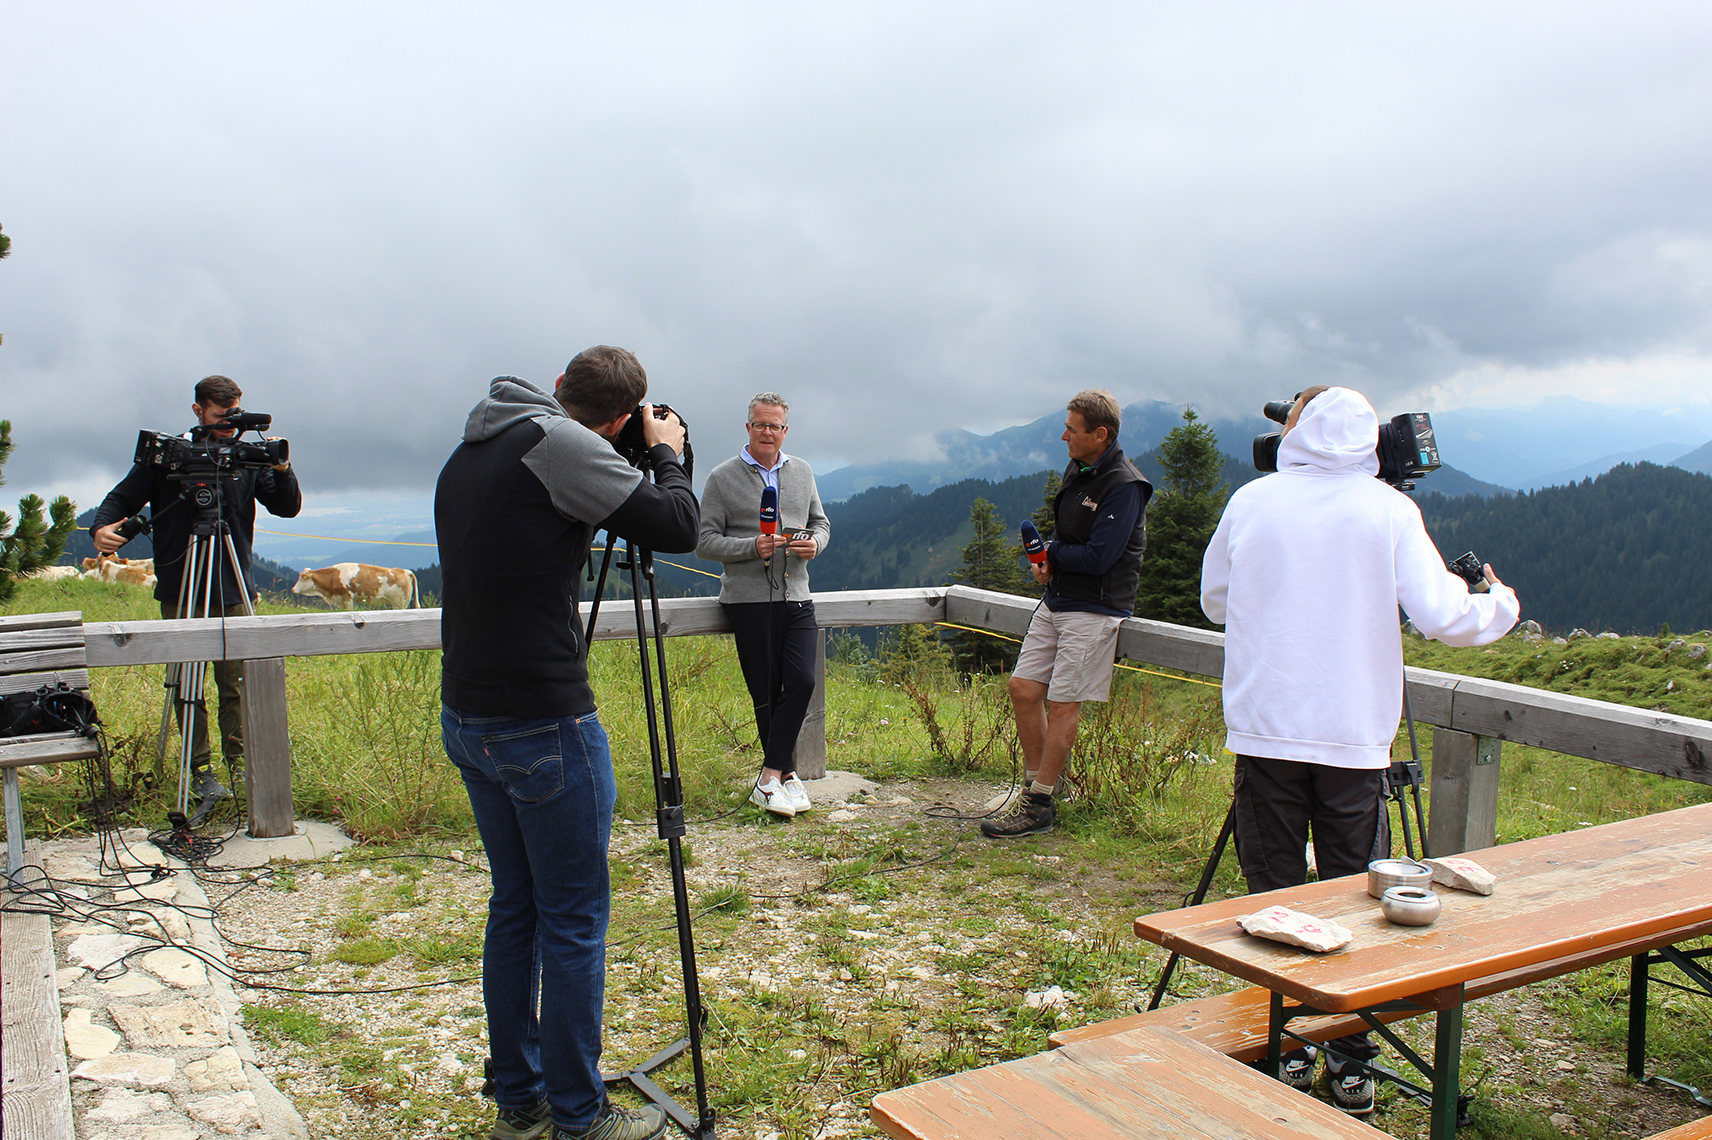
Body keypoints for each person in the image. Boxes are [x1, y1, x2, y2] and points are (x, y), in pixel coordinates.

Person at [1200, 384, 1520, 1116]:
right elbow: (1443, 616)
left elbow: (1215, 601)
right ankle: (1351, 1057)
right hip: (1354, 737)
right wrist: (1500, 603)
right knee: (1354, 893)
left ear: (1298, 432)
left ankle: (1284, 1045)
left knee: (1273, 892)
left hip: (1266, 727)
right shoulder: (1389, 509)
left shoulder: (1252, 501)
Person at [436, 346, 696, 1140]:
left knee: (516, 907)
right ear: (617, 420)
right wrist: (666, 454)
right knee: (574, 921)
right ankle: (582, 1117)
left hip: (469, 712)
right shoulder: (562, 445)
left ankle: (520, 1100)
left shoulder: (475, 445)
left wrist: (631, 452)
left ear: (557, 386)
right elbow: (676, 525)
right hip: (543, 719)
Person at [89, 375, 301, 814]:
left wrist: (282, 467)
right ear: (198, 410)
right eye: (221, 417)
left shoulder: (245, 457)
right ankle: (200, 768)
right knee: (188, 681)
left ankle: (241, 763)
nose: (229, 426)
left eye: (235, 416)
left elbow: (287, 506)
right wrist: (101, 528)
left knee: (237, 681)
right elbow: (121, 498)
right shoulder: (169, 456)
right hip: (181, 586)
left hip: (233, 587)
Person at [982, 389, 1151, 839]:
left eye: (1072, 430)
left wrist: (1051, 553)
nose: (1064, 437)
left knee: (1063, 702)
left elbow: (1099, 557)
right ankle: (1036, 788)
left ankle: (1039, 804)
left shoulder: (1125, 485)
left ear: (1101, 434)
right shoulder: (1080, 467)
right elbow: (1070, 536)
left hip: (1095, 608)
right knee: (1023, 688)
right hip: (1058, 598)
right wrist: (1048, 563)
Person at [695, 392, 832, 817]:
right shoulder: (722, 477)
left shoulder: (802, 471)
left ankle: (771, 776)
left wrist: (815, 544)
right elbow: (704, 542)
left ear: (785, 430)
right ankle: (785, 777)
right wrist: (751, 547)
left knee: (802, 681)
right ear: (748, 427)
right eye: (760, 424)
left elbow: (821, 523)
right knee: (766, 691)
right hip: (749, 601)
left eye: (775, 425)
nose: (767, 432)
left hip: (798, 595)